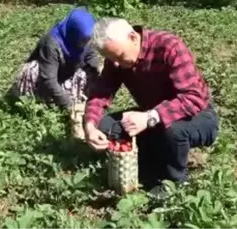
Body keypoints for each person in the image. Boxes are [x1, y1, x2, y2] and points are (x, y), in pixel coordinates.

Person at [83, 17, 219, 198]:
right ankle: (150, 161)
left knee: (174, 131)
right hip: (151, 117)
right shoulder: (117, 57)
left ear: (133, 37)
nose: (115, 63)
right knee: (105, 126)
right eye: (111, 58)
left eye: (120, 56)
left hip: (196, 116)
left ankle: (176, 182)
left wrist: (150, 117)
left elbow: (193, 98)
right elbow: (101, 92)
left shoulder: (169, 47)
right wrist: (90, 125)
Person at [10, 7, 101, 110]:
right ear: (74, 31)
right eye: (84, 39)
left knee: (89, 72)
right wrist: (69, 105)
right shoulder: (51, 44)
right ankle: (35, 102)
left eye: (88, 39)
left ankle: (84, 103)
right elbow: (48, 79)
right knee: (32, 69)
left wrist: (97, 71)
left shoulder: (85, 37)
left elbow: (91, 55)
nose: (86, 43)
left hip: (67, 75)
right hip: (44, 79)